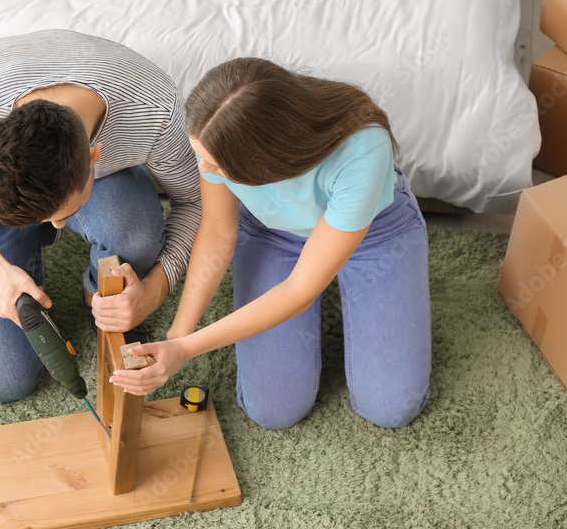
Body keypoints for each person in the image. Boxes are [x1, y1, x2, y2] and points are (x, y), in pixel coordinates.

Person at [111, 57, 431, 429]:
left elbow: (299, 288)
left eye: (214, 165)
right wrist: (179, 332)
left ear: (265, 161)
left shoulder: (364, 150)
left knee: (392, 408)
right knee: (273, 410)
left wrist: (186, 350)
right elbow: (218, 230)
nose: (203, 171)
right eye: (201, 156)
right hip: (274, 232)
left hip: (376, 234)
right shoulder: (217, 133)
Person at [0, 30, 200, 403]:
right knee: (6, 381)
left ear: (94, 155)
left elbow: (194, 202)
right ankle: (7, 239)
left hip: (106, 182)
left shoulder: (152, 109)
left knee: (136, 237)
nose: (55, 228)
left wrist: (156, 288)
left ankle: (96, 300)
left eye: (62, 217)